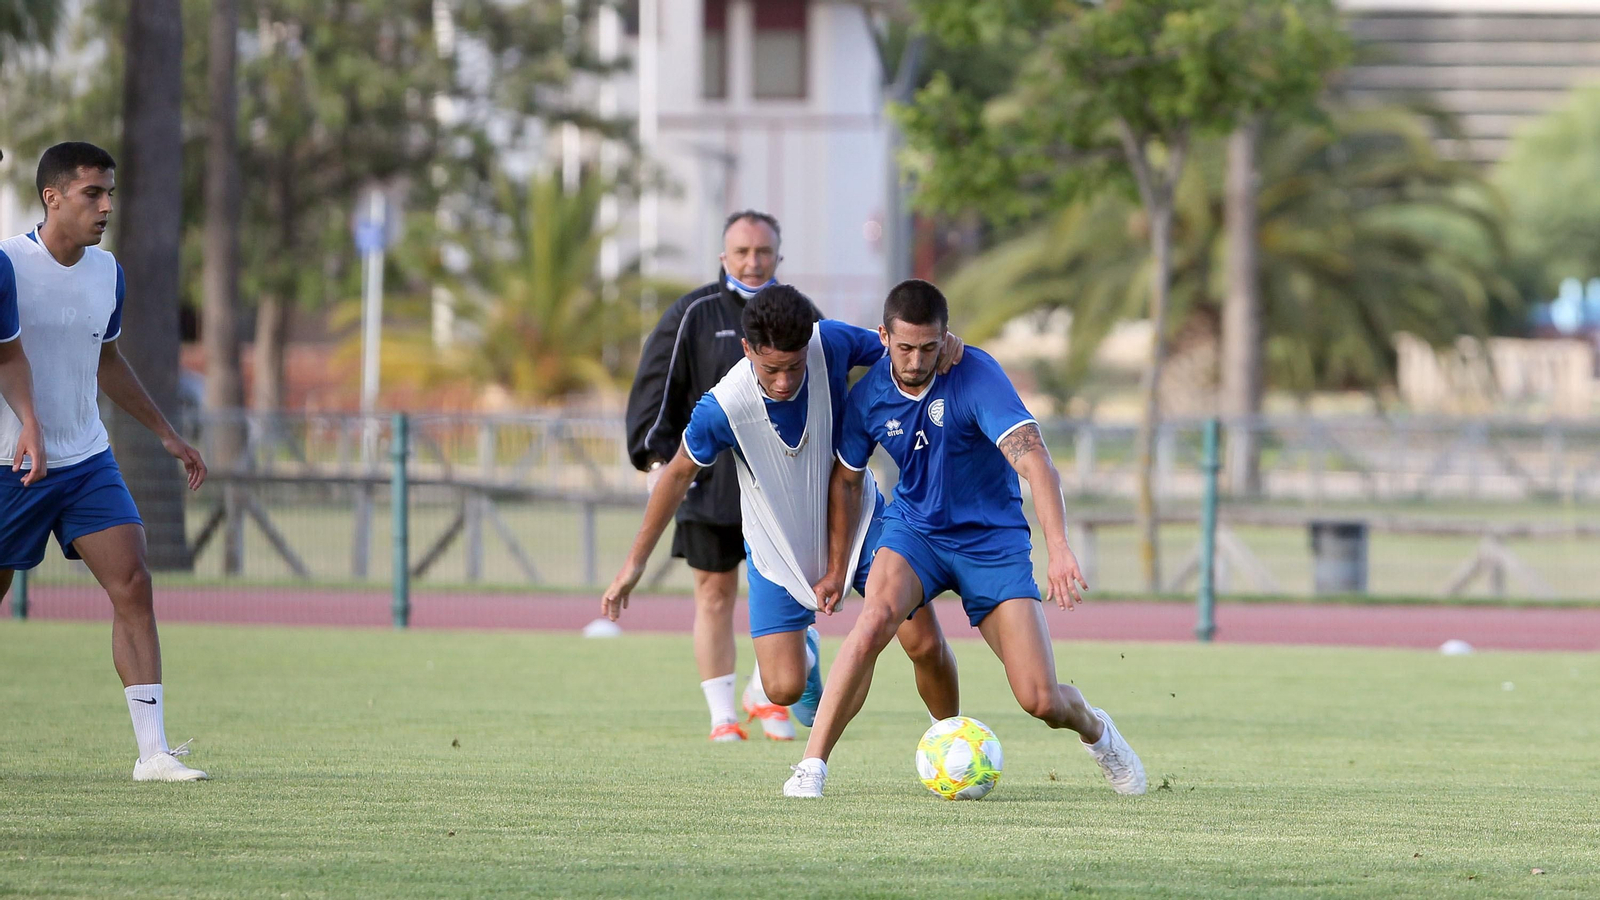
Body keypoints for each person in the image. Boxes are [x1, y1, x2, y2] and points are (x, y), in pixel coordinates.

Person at [783, 278, 1146, 798]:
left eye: (929, 347)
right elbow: (845, 478)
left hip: (992, 543)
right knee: (874, 621)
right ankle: (811, 767)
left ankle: (1098, 731)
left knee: (1041, 700)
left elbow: (1035, 461)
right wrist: (838, 569)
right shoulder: (868, 398)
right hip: (915, 532)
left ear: (945, 338)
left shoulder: (974, 374)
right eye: (905, 347)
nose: (915, 360)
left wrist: (1059, 547)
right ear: (883, 338)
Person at [605, 285, 963, 739]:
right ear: (747, 349)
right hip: (776, 547)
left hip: (859, 522)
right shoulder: (723, 407)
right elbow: (675, 477)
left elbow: (904, 347)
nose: (783, 381)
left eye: (794, 367)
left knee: (924, 641)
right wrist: (633, 565)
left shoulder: (830, 341)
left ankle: (951, 743)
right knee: (783, 688)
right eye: (771, 368)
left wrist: (949, 344)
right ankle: (806, 652)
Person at [0, 142, 210, 782]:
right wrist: (29, 424)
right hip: (11, 465)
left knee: (134, 584)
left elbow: (107, 359)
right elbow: (6, 356)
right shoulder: (7, 265)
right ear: (52, 197)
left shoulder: (107, 272)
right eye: (93, 193)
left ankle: (153, 754)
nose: (107, 206)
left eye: (111, 193)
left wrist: (166, 433)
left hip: (87, 459)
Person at [624, 210, 793, 740]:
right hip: (709, 487)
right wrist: (654, 460)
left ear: (778, 257)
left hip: (780, 490)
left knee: (793, 593)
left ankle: (768, 695)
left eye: (762, 251)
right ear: (724, 256)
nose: (752, 260)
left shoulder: (798, 315)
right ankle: (723, 715)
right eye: (741, 251)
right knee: (715, 595)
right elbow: (658, 389)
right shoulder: (693, 313)